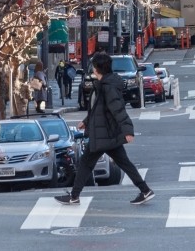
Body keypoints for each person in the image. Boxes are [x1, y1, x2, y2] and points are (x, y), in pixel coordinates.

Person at [56, 51, 155, 206]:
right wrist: (87, 121)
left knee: (86, 163)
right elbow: (100, 110)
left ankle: (74, 196)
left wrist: (128, 130)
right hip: (107, 134)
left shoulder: (107, 87)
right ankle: (145, 190)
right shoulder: (104, 84)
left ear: (96, 68)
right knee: (122, 163)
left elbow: (118, 109)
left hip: (104, 134)